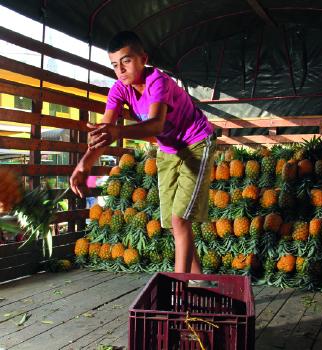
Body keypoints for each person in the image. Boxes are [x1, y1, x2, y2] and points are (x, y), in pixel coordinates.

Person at [70, 31, 216, 274]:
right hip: (168, 149)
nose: (120, 69)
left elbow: (155, 124)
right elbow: (104, 133)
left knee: (180, 220)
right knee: (172, 222)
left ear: (143, 58)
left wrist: (117, 131)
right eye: (115, 64)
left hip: (196, 142)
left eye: (126, 61)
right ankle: (199, 279)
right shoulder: (118, 90)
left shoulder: (158, 81)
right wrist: (83, 166)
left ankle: (179, 289)